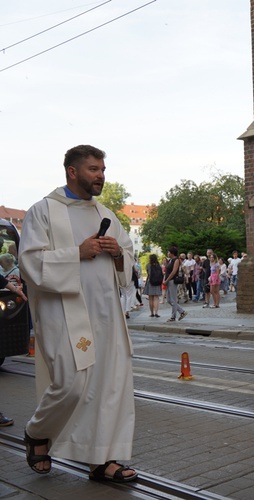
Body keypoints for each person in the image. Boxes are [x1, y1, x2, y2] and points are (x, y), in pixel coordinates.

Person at [18, 144, 138, 482]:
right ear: (73, 171)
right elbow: (30, 262)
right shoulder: (43, 211)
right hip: (65, 313)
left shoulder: (107, 213)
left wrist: (117, 254)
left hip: (107, 314)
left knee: (109, 386)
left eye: (102, 169)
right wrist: (76, 253)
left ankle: (103, 459)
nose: (101, 176)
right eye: (94, 169)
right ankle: (37, 432)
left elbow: (128, 259)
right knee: (71, 384)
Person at [164, 246, 187, 322]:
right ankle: (182, 311)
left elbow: (174, 272)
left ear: (172, 253)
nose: (168, 253)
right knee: (168, 299)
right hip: (168, 281)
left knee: (173, 299)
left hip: (172, 281)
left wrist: (167, 280)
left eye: (168, 252)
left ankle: (173, 316)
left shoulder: (176, 260)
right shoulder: (170, 260)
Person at [144, 253, 162, 318]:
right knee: (156, 298)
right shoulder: (158, 265)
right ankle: (156, 313)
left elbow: (148, 274)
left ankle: (152, 313)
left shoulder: (148, 265)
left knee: (151, 298)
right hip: (157, 282)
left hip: (150, 282)